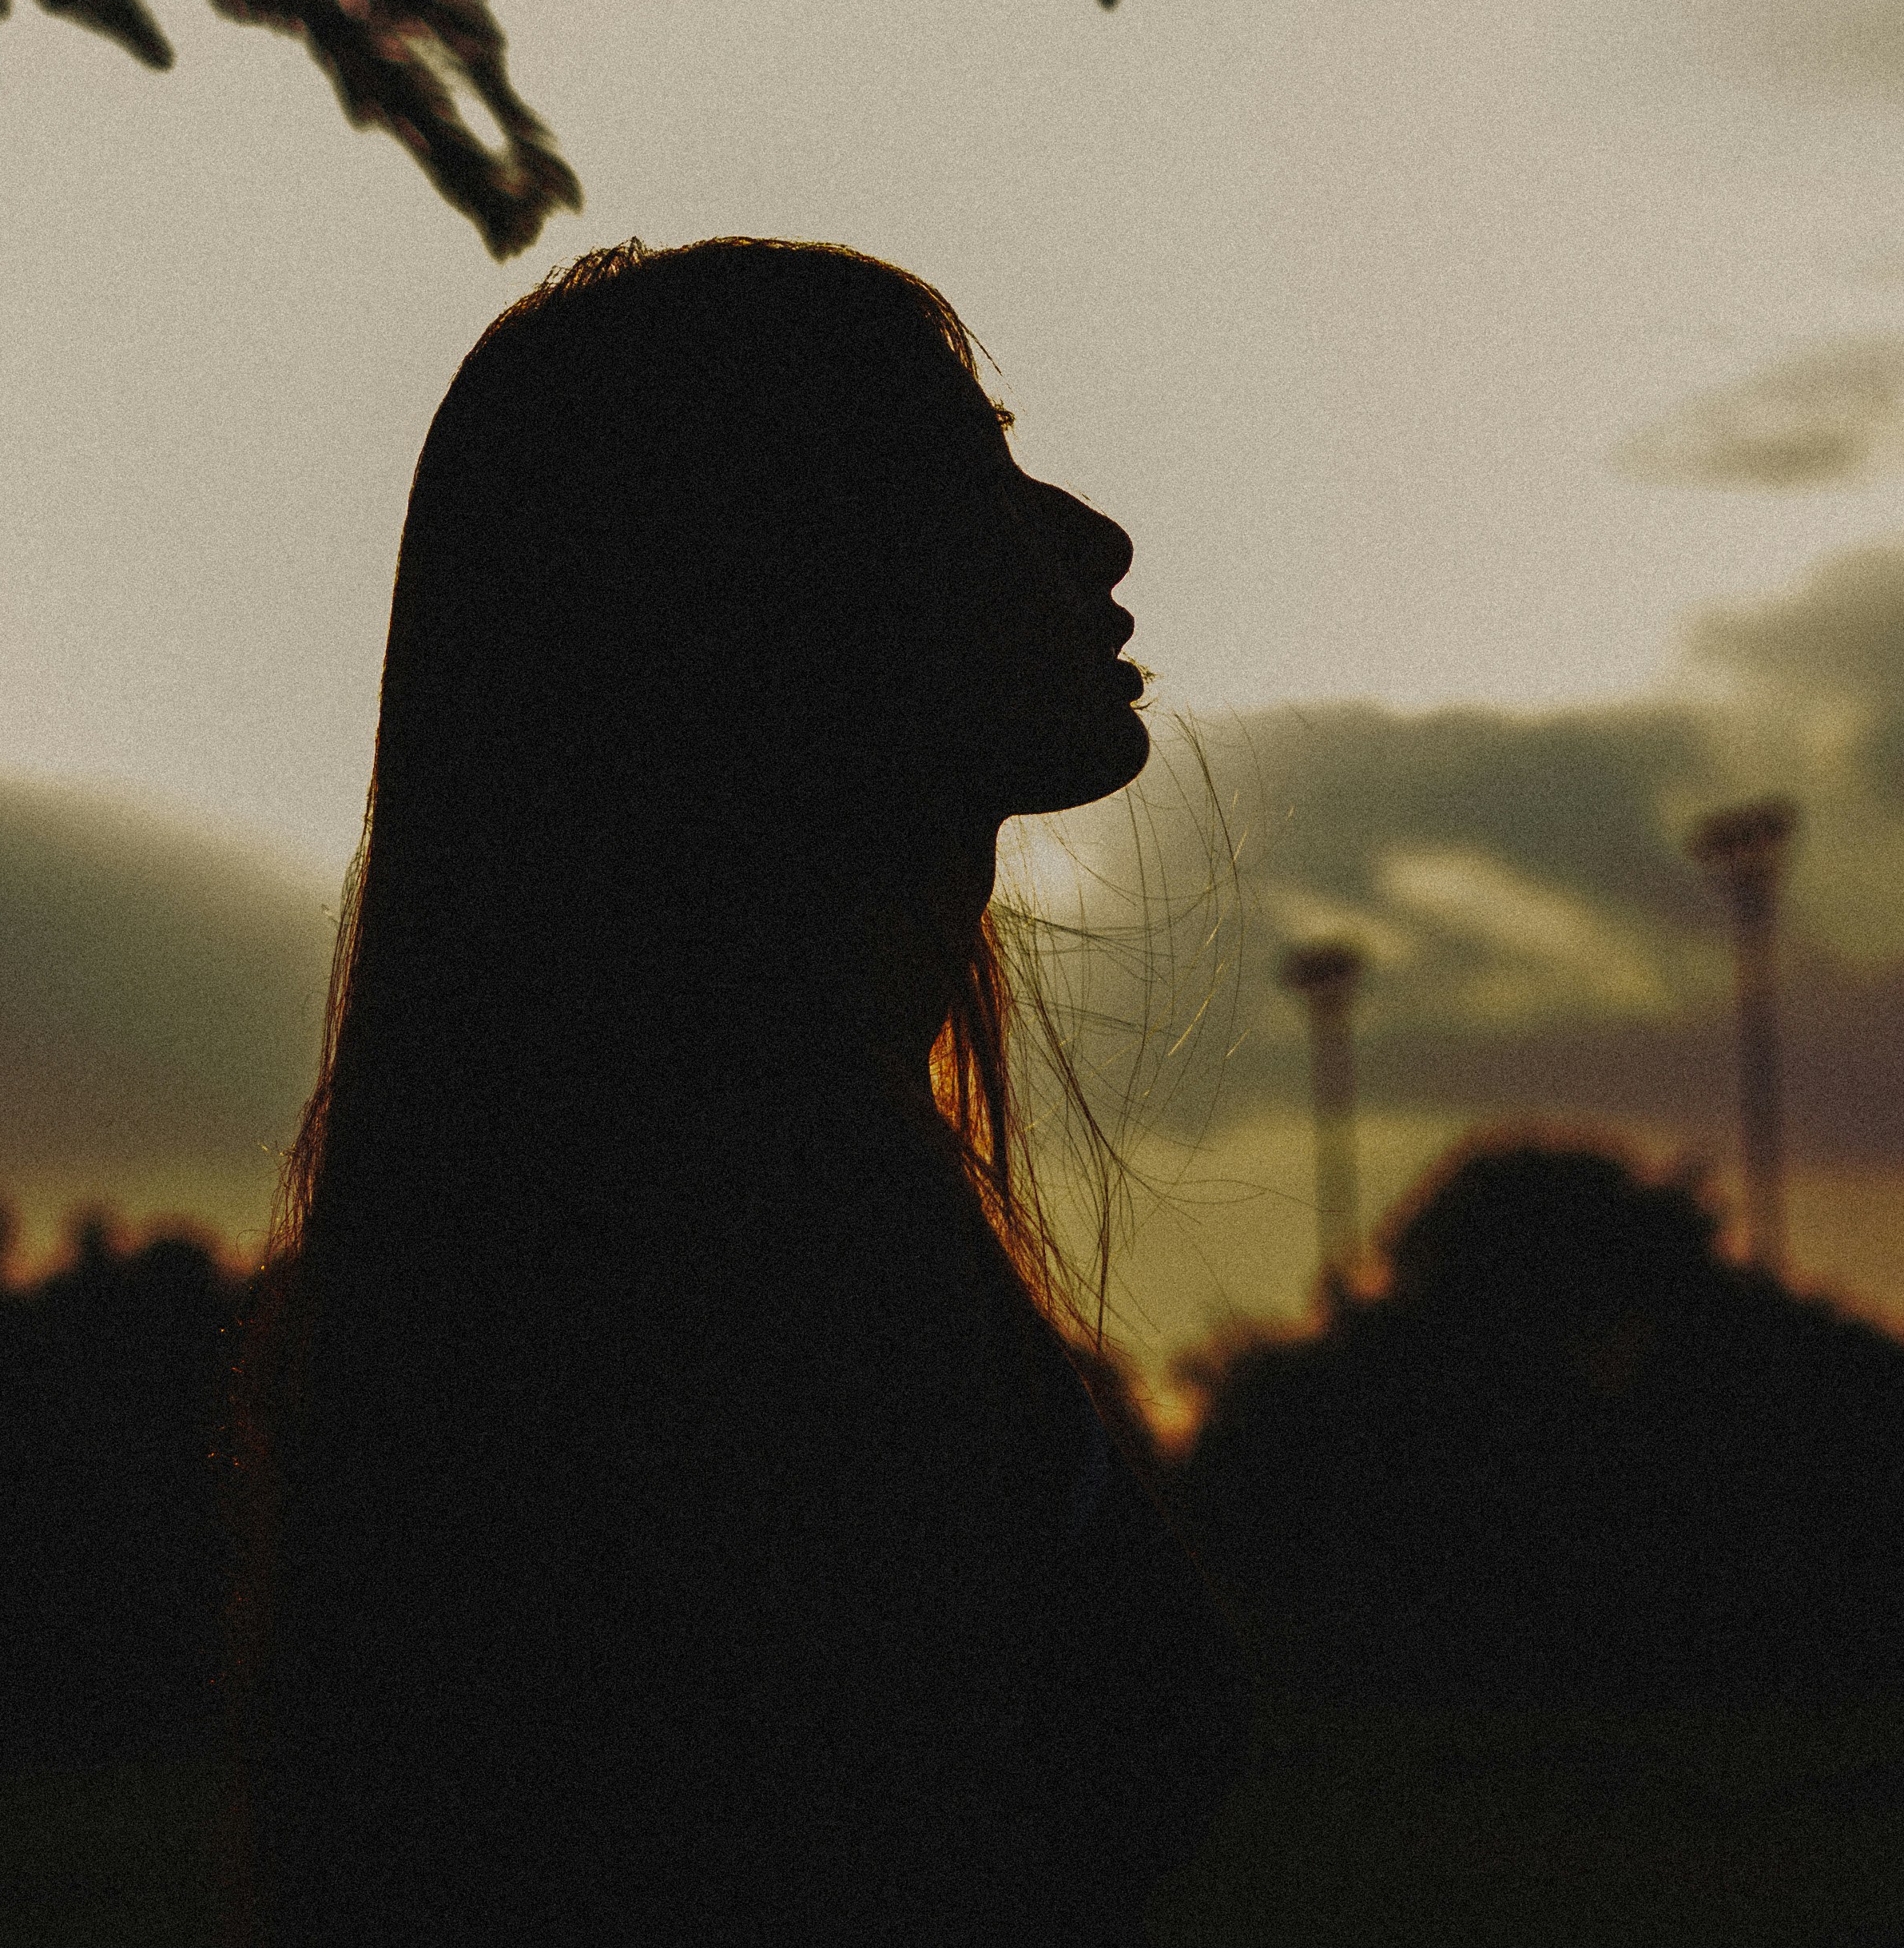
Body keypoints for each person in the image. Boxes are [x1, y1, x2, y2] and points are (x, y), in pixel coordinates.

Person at [231, 238, 1246, 1947]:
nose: (1093, 540)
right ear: (772, 593)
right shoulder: (758, 1244)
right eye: (974, 468)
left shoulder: (679, 1196)